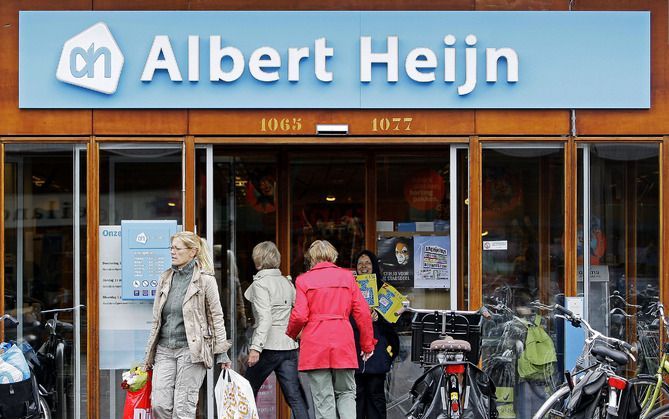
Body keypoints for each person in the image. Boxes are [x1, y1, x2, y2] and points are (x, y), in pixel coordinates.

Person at [144, 231, 231, 419]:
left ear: (192, 252)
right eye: (171, 248)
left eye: (177, 248)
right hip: (164, 350)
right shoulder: (165, 278)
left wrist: (222, 352)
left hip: (192, 350)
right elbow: (156, 319)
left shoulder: (206, 280)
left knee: (182, 409)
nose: (172, 252)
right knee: (159, 405)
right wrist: (149, 353)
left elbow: (216, 316)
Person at [286, 240, 376, 419]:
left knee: (323, 398)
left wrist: (292, 334)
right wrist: (368, 345)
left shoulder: (303, 280)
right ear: (332, 256)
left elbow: (299, 315)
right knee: (347, 393)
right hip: (343, 341)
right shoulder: (347, 277)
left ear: (312, 258)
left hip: (315, 343)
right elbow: (363, 313)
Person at [243, 241, 309, 417]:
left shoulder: (260, 284)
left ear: (258, 260)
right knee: (294, 396)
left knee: (247, 390)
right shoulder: (286, 282)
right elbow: (299, 311)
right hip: (289, 345)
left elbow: (265, 319)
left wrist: (255, 347)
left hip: (268, 346)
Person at [353, 250, 399, 419]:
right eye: (360, 263)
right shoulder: (350, 289)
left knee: (375, 395)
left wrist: (379, 317)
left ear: (374, 267)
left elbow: (396, 322)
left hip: (377, 352)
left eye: (367, 263)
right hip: (356, 350)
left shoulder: (385, 291)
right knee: (357, 396)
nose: (363, 267)